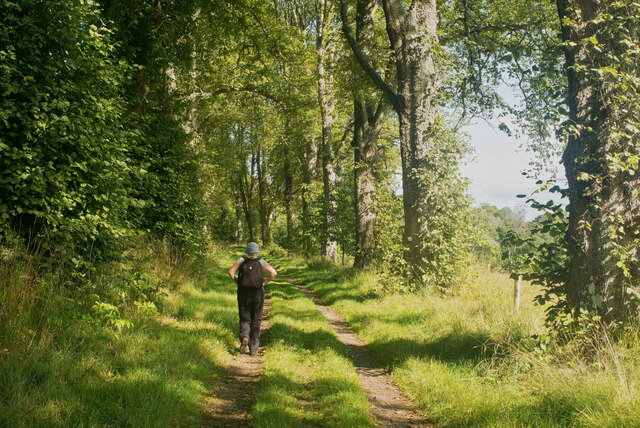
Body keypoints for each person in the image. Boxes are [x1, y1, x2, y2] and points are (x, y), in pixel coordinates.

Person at [228, 242, 277, 355]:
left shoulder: (241, 261)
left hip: (243, 292)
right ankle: (254, 348)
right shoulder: (260, 261)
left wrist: (237, 283)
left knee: (245, 317)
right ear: (256, 252)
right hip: (257, 293)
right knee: (256, 319)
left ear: (247, 251)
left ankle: (245, 337)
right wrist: (264, 283)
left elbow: (231, 272)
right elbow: (273, 273)